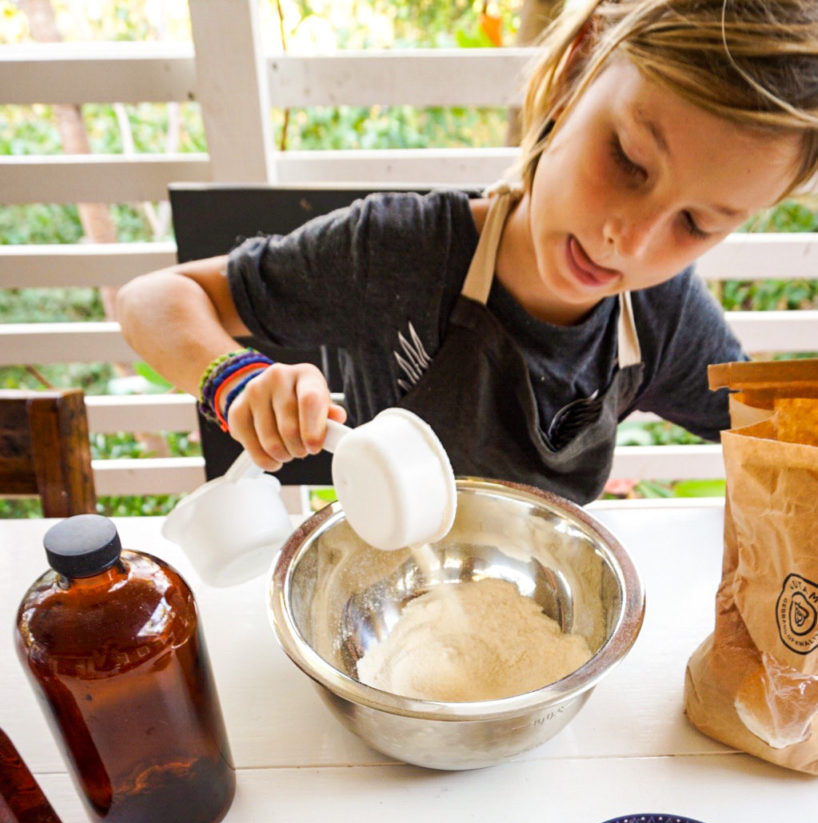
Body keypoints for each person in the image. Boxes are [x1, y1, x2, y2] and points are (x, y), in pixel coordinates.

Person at [116, 0, 818, 505]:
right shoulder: (399, 252)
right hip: (388, 593)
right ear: (578, 68)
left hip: (542, 616)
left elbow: (783, 433)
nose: (629, 241)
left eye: (698, 222)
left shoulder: (661, 315)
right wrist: (233, 379)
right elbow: (153, 300)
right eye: (629, 160)